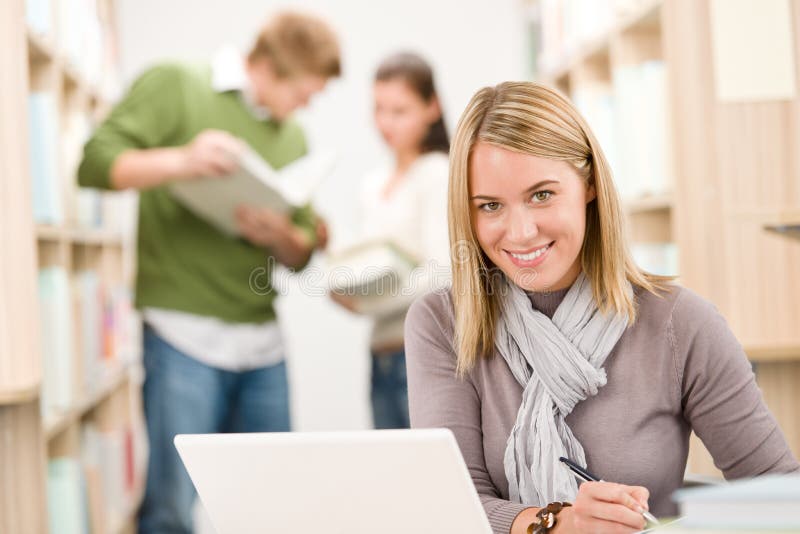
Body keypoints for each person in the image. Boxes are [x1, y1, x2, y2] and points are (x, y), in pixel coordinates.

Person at [404, 82, 800, 534]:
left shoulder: (680, 324)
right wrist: (561, 525)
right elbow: (451, 508)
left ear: (588, 183)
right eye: (490, 206)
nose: (520, 231)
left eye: (541, 195)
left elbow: (779, 497)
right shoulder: (441, 323)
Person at [77, 11, 340, 534]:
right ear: (267, 66)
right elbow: (94, 163)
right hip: (182, 337)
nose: (307, 106)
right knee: (171, 507)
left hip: (262, 344)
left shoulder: (294, 139)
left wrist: (280, 236)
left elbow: (303, 249)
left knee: (274, 506)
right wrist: (183, 161)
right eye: (303, 92)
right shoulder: (178, 83)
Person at [330, 52, 450, 429]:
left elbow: (442, 274)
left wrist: (365, 305)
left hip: (421, 357)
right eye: (379, 109)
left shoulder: (436, 174)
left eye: (400, 111)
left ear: (432, 107)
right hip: (380, 356)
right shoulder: (373, 185)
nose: (385, 122)